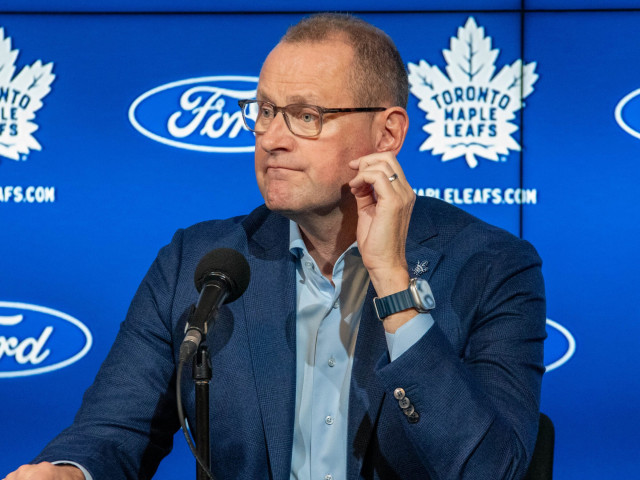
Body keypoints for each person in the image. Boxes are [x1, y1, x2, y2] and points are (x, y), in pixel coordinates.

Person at [5, 13, 546, 480]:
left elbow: (492, 468)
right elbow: (112, 430)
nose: (272, 137)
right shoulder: (198, 263)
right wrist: (67, 471)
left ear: (387, 134)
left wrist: (391, 282)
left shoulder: (491, 267)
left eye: (306, 116)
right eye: (264, 111)